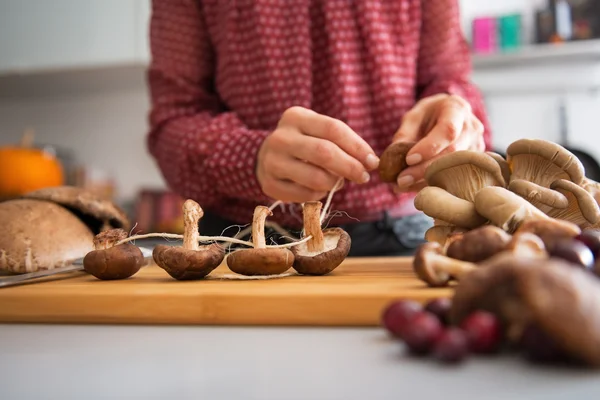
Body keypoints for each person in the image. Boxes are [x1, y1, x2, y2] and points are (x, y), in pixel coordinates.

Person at [145, 0, 492, 257]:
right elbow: (172, 122)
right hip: (243, 245)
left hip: (403, 237)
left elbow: (450, 79)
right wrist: (249, 158)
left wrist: (456, 116)